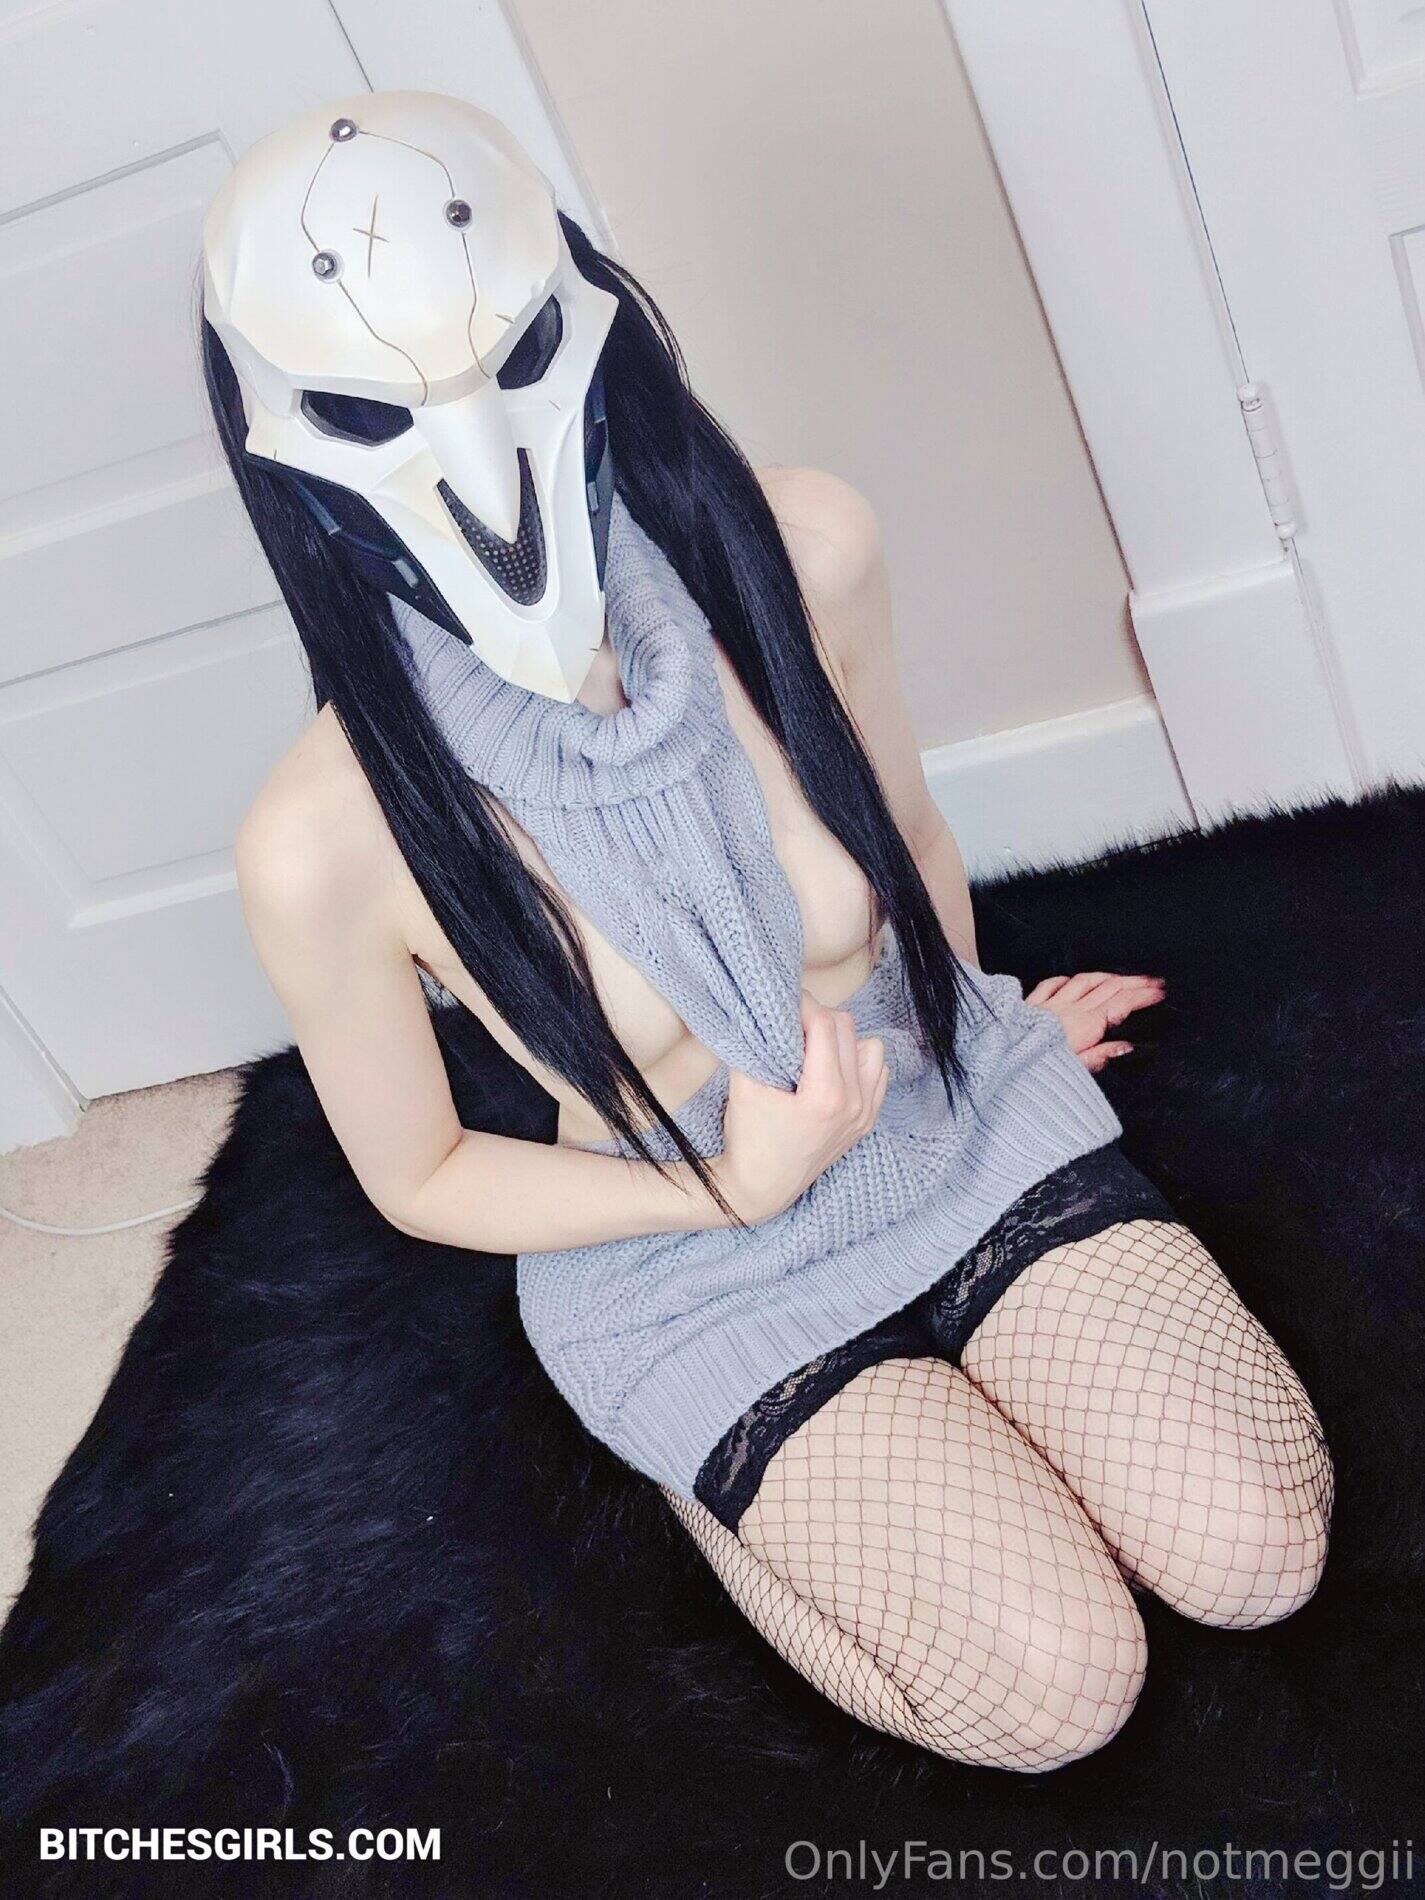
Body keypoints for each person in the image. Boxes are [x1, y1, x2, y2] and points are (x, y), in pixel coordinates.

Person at [201, 90, 1332, 1773]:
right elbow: (418, 1174)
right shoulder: (322, 835)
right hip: (680, 1243)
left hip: (939, 1119)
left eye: (508, 362)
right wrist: (727, 1188)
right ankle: (713, 1478)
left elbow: (909, 834)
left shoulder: (798, 545)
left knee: (1253, 1553)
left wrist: (979, 1021)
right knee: (1052, 1693)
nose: (474, 452)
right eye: (377, 405)